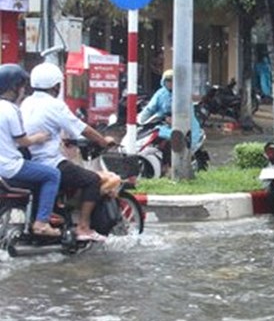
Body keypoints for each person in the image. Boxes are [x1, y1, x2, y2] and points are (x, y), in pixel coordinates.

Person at [22, 62, 117, 242]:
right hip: (49, 162)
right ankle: (83, 228)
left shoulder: (26, 102)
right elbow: (82, 128)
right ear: (56, 85)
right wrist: (103, 141)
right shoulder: (55, 105)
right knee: (92, 180)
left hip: (28, 162)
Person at [0, 63, 61, 238]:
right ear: (14, 87)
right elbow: (23, 141)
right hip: (10, 166)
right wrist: (40, 138)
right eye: (21, 87)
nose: (23, 91)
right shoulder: (10, 110)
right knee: (52, 174)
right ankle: (42, 223)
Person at [137, 68, 202, 158]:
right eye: (167, 81)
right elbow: (150, 108)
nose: (170, 83)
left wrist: (176, 120)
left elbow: (187, 113)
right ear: (163, 81)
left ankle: (172, 162)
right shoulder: (160, 94)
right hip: (163, 123)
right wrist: (140, 119)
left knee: (176, 140)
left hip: (183, 125)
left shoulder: (183, 95)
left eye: (172, 81)